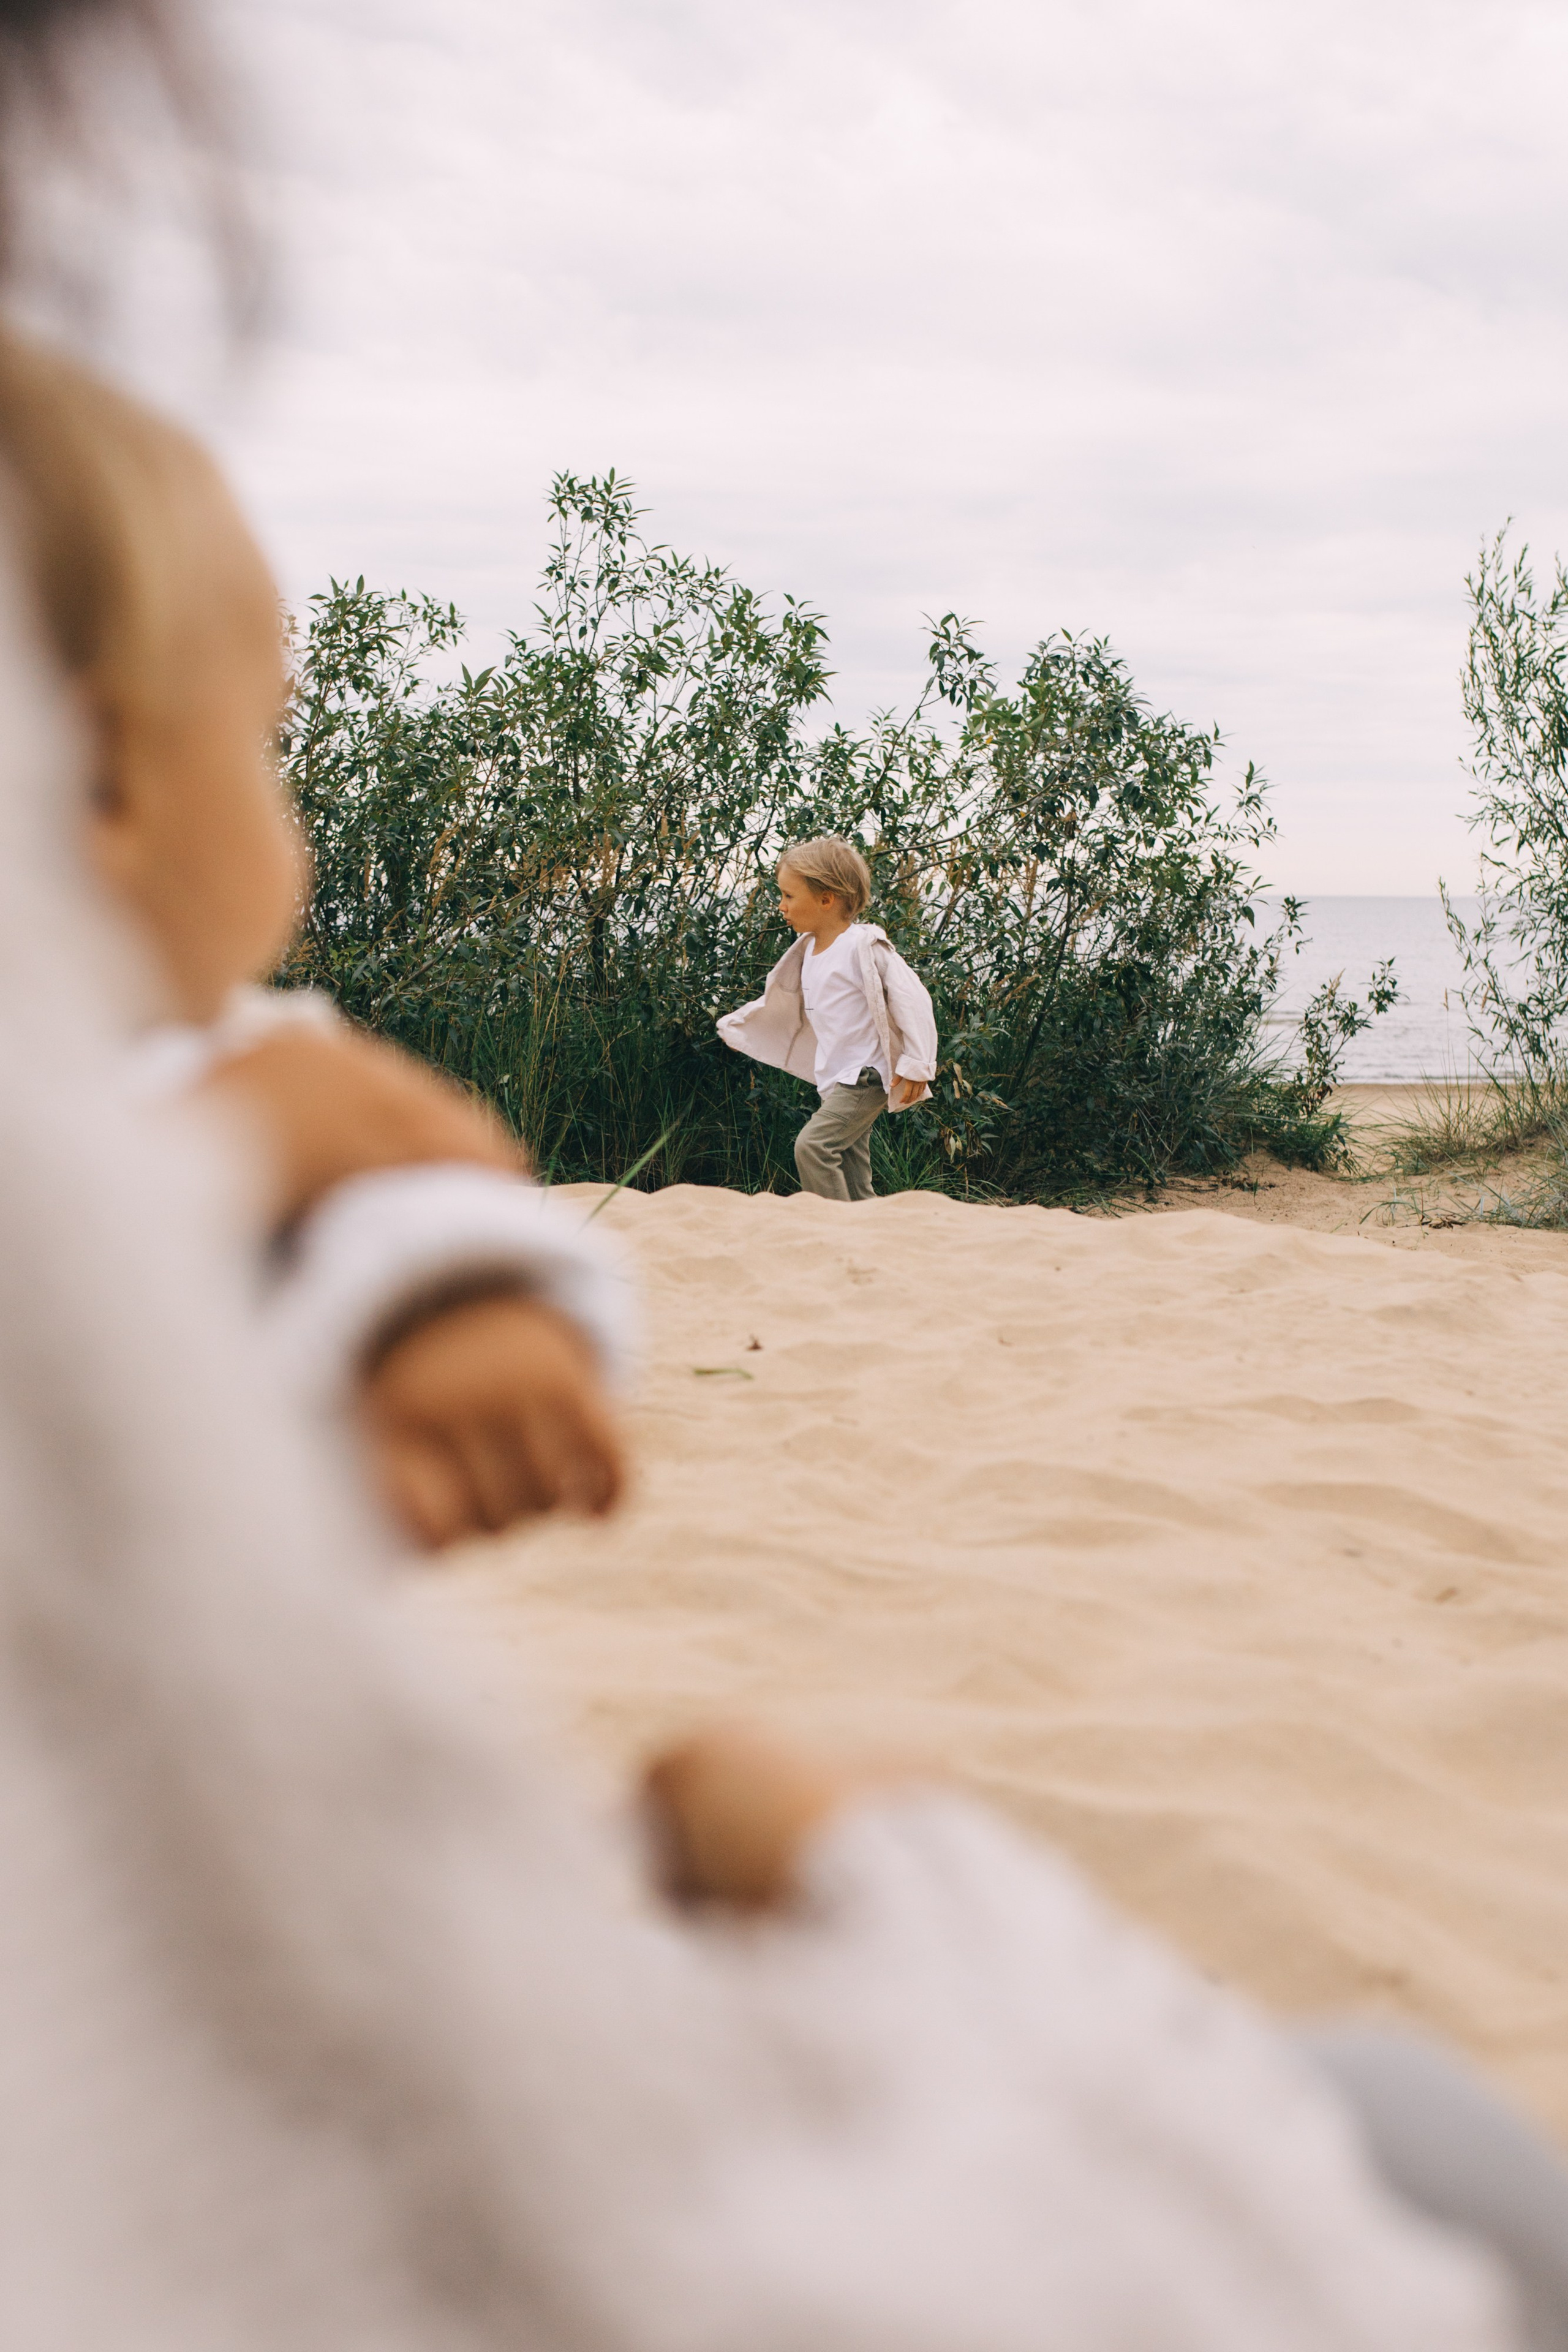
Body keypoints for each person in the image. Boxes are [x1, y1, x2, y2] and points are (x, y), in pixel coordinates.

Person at [0, 323, 628, 1551]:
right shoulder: (245, 1091)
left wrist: (474, 1312)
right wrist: (235, 1147)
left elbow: (430, 1208)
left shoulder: (237, 1053)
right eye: (260, 737)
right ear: (105, 782)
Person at [718, 835, 938, 1200]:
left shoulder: (861, 945)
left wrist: (919, 1062)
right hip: (836, 1079)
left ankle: (833, 1231)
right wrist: (741, 1026)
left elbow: (912, 997)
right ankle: (865, 1234)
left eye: (789, 896)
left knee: (814, 1148)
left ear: (826, 899)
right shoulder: (807, 950)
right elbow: (782, 1001)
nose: (781, 906)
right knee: (853, 1172)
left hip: (865, 1077)